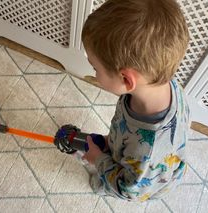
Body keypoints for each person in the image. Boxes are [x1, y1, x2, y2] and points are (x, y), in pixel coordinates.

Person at [78, 0, 190, 201]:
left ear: (127, 80)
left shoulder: (149, 148)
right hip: (129, 148)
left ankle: (104, 182)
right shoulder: (158, 83)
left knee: (109, 182)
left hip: (147, 179)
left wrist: (99, 160)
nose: (94, 73)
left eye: (95, 68)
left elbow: (129, 190)